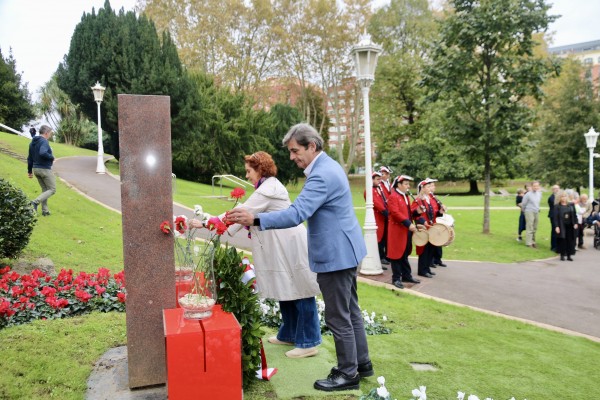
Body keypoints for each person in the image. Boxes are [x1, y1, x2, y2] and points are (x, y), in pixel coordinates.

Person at [227, 123, 371, 392]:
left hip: (335, 255)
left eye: (295, 151)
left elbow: (296, 214)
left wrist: (255, 218)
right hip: (347, 250)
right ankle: (362, 364)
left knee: (339, 317)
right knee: (351, 312)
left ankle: (348, 373)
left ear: (312, 146)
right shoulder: (329, 167)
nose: (292, 157)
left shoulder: (320, 175)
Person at [192, 151, 321, 358]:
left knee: (301, 289)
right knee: (286, 286)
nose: (246, 176)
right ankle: (289, 333)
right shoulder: (266, 186)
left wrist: (206, 222)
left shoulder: (269, 188)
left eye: (248, 171)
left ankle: (309, 342)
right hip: (283, 246)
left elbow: (242, 212)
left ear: (260, 169)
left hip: (291, 245)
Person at [386, 175, 420, 288]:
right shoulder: (393, 196)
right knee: (396, 254)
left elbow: (408, 212)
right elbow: (395, 213)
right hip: (397, 230)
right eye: (405, 184)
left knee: (404, 253)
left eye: (408, 184)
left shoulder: (405, 196)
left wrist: (416, 212)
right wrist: (408, 223)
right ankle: (396, 278)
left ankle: (406, 275)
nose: (408, 186)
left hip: (405, 229)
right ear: (399, 185)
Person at [27, 125, 55, 216]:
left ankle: (45, 211)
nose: (50, 135)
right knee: (52, 189)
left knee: (45, 189)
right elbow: (43, 152)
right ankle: (35, 202)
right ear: (46, 133)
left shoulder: (32, 143)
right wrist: (51, 157)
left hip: (36, 169)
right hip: (44, 169)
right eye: (50, 133)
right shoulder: (44, 141)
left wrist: (29, 171)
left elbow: (29, 158)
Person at [411, 180, 436, 278]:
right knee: (423, 249)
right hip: (423, 227)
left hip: (430, 226)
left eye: (430, 187)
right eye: (428, 187)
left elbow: (433, 212)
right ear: (423, 188)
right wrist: (423, 222)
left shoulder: (429, 199)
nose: (430, 188)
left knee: (430, 248)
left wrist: (440, 212)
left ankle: (427, 268)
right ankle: (422, 270)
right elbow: (414, 214)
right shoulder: (418, 200)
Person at [365, 171, 389, 268]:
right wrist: (385, 211)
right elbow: (376, 203)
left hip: (383, 218)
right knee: (377, 240)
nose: (380, 181)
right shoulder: (369, 190)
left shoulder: (379, 189)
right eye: (377, 179)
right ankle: (377, 259)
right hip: (376, 218)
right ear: (371, 180)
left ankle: (382, 257)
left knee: (383, 239)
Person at [553, 190, 578, 261]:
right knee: (562, 240)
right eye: (562, 197)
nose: (564, 198)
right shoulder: (557, 206)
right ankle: (562, 255)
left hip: (570, 225)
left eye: (565, 196)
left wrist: (575, 223)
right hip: (561, 225)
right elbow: (555, 218)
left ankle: (569, 255)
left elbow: (574, 215)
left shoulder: (571, 205)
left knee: (570, 240)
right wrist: (557, 226)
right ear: (559, 198)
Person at [428, 178, 447, 268]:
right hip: (430, 223)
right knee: (433, 242)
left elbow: (437, 211)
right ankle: (431, 261)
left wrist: (441, 210)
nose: (434, 187)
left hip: (436, 221)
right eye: (432, 185)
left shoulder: (433, 197)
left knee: (438, 243)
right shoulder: (428, 197)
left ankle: (437, 259)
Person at [521, 180, 542, 248]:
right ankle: (528, 243)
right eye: (534, 186)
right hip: (529, 211)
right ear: (532, 186)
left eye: (537, 186)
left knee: (535, 227)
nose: (536, 187)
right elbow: (523, 204)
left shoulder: (539, 193)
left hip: (536, 211)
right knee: (530, 227)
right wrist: (524, 211)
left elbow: (537, 203)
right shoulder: (528, 194)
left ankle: (533, 241)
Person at [548, 184, 560, 252]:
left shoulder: (559, 196)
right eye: (555, 188)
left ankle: (558, 245)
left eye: (558, 188)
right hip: (553, 215)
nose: (557, 190)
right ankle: (553, 246)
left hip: (559, 215)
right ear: (553, 190)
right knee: (554, 230)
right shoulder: (551, 197)